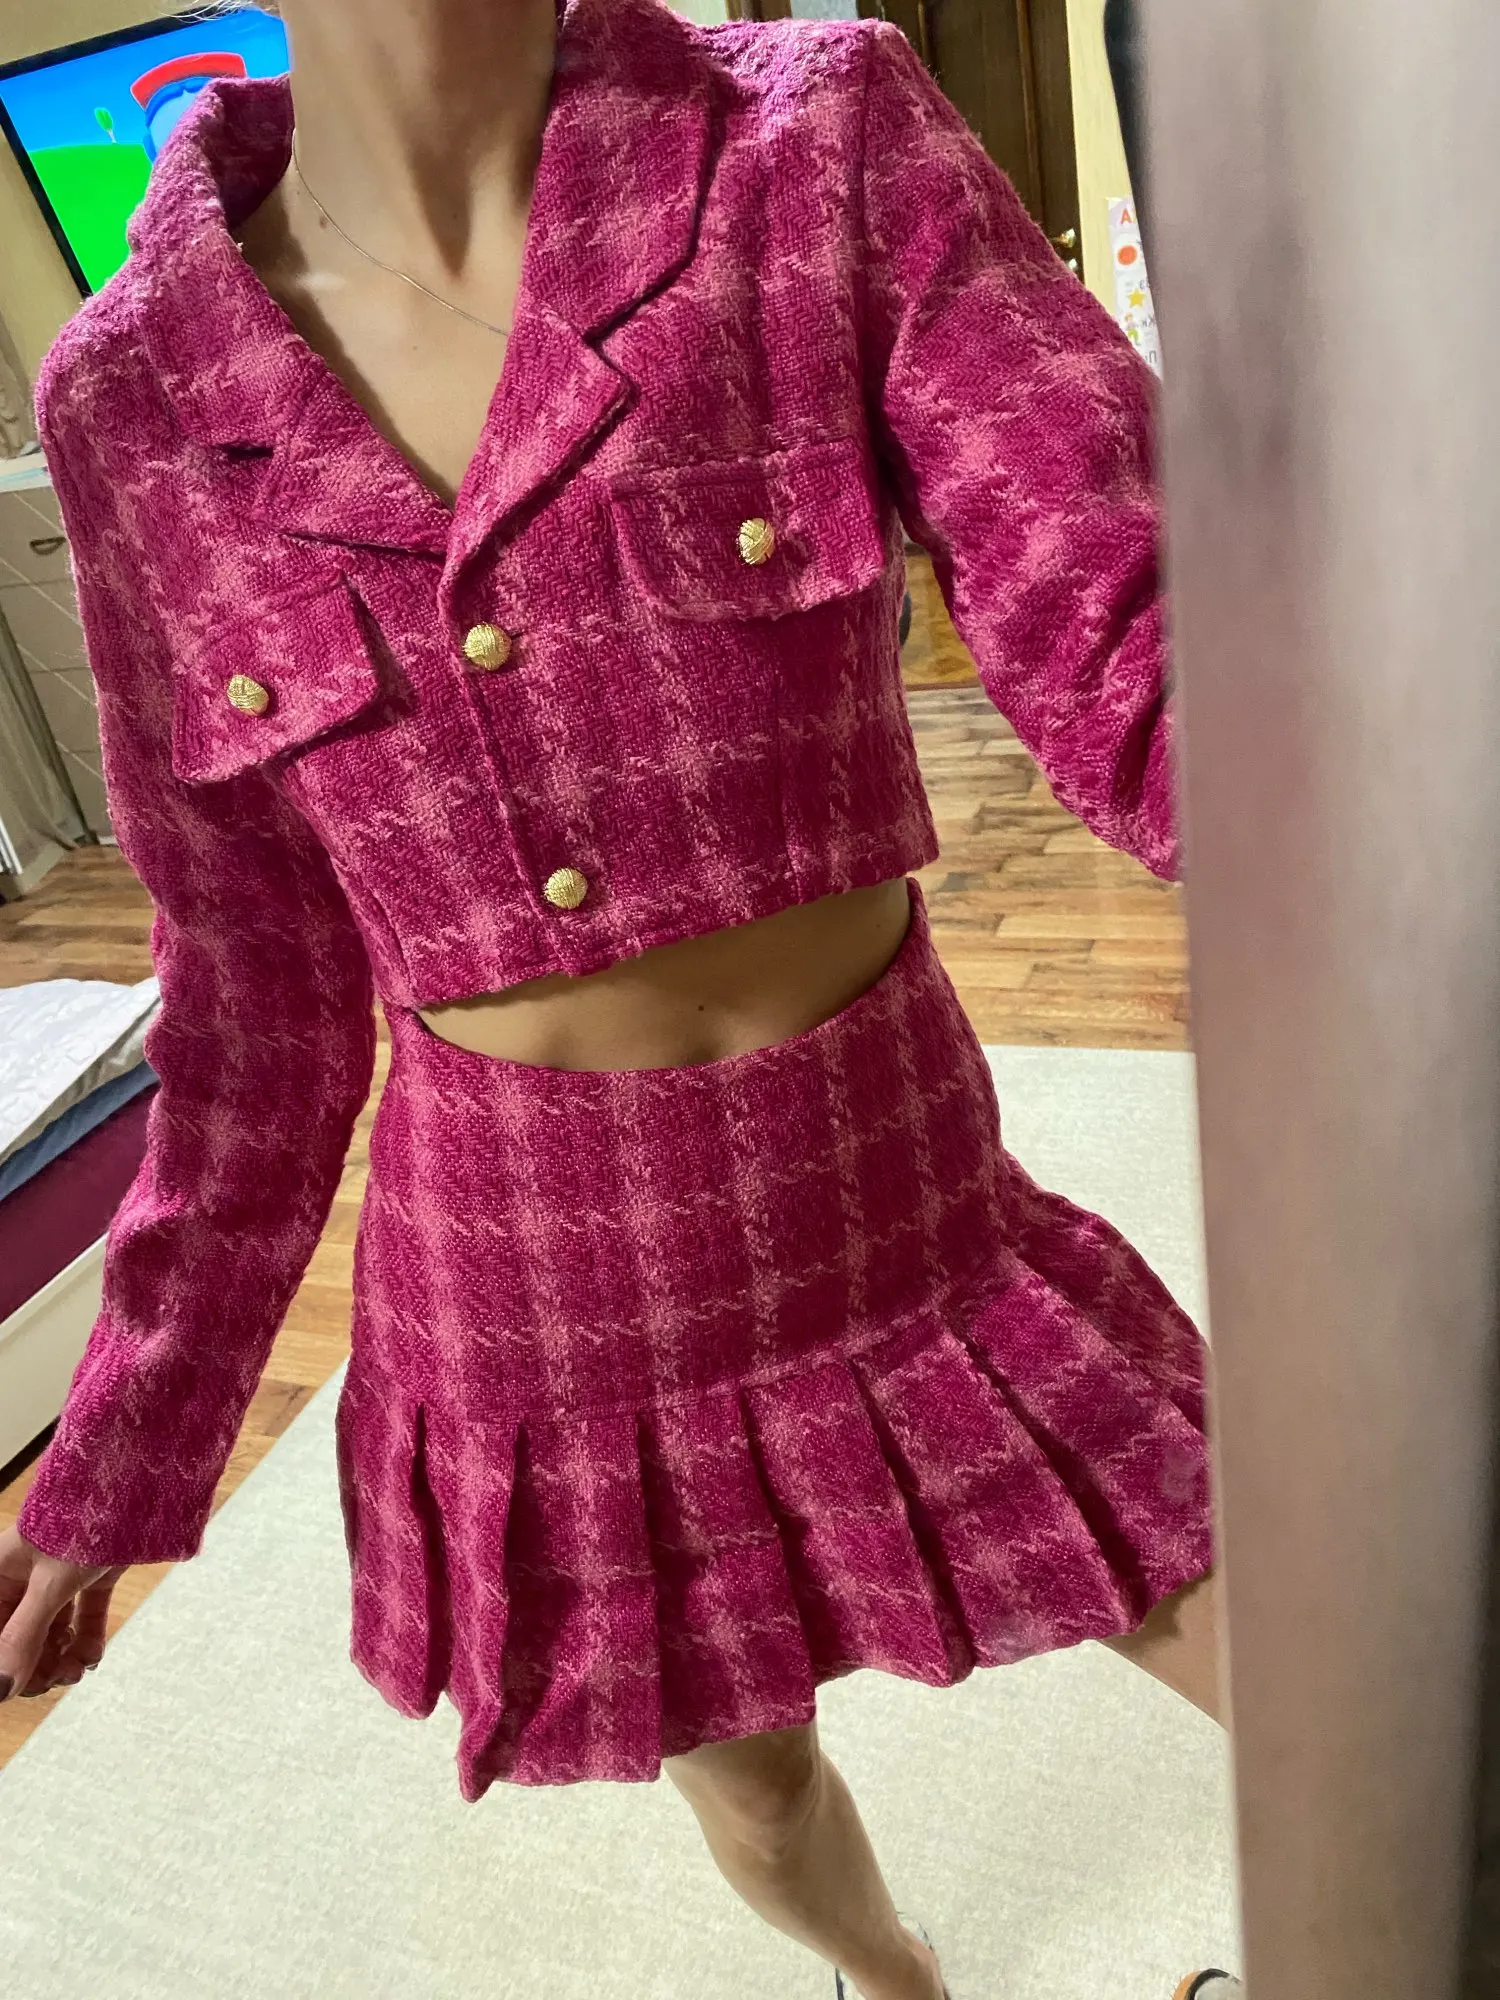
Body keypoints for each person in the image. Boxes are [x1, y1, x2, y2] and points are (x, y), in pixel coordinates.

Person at [0, 1, 1229, 1993]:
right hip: (537, 1302)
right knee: (752, 1783)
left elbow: (1124, 592)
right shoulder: (132, 394)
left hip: (902, 1203)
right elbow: (252, 993)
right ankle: (891, 1984)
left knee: (1318, 1648)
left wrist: (1377, 858)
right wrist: (127, 1438)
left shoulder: (815, 146)